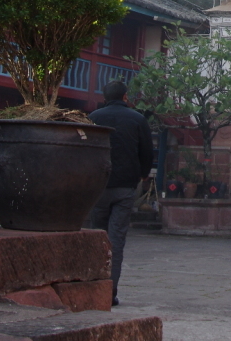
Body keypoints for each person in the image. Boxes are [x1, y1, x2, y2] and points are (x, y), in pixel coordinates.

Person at [89, 79, 154, 307]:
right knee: (116, 239)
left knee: (97, 236)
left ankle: (93, 287)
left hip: (99, 185)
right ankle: (110, 291)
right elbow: (147, 151)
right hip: (125, 186)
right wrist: (143, 173)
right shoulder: (137, 119)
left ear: (105, 97)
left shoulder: (93, 118)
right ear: (125, 97)